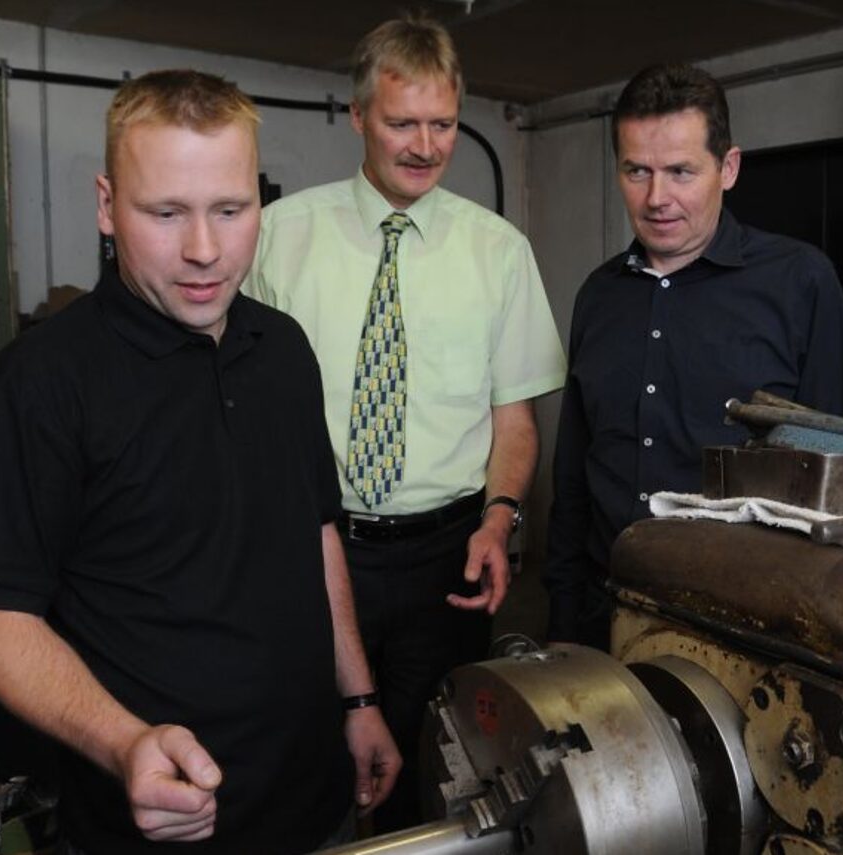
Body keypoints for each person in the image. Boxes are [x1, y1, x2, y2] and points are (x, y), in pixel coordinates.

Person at [0, 69, 399, 854]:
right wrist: (125, 744)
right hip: (154, 824)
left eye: (230, 210)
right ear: (106, 206)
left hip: (312, 799)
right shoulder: (39, 384)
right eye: (166, 213)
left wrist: (358, 698)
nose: (203, 250)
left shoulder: (284, 350)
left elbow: (316, 532)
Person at [245, 16, 565, 831]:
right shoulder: (279, 238)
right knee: (310, 757)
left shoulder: (497, 251)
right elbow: (238, 411)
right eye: (401, 123)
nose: (425, 145)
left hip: (446, 560)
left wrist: (500, 520)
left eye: (444, 124)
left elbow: (514, 419)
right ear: (357, 117)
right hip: (316, 549)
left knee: (442, 768)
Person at [543, 62, 843, 650]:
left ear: (728, 168)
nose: (656, 197)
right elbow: (574, 472)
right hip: (604, 612)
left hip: (744, 627)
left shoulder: (800, 283)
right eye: (636, 171)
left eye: (680, 172)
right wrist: (563, 615)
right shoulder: (598, 295)